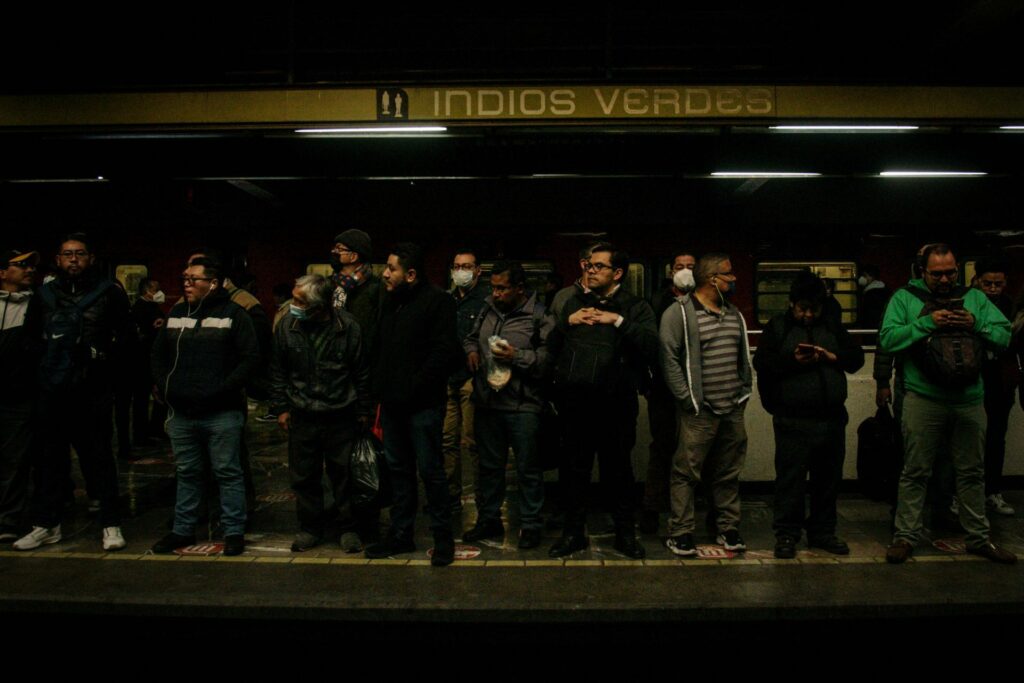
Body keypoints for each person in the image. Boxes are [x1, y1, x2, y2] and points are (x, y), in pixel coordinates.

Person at [881, 243, 1015, 564]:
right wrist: (928, 323)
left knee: (972, 472)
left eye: (950, 273)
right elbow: (887, 339)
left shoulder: (975, 299)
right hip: (922, 398)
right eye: (937, 274)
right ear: (922, 272)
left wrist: (975, 324)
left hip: (969, 399)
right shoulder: (905, 299)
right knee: (915, 471)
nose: (944, 280)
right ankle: (905, 536)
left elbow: (1004, 336)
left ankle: (979, 538)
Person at [15, 234, 135, 552]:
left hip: (92, 390)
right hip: (52, 390)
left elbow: (127, 340)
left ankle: (110, 523)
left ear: (91, 258)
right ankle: (47, 524)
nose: (73, 259)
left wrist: (101, 360)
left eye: (79, 254)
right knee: (49, 460)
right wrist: (45, 360)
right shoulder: (44, 295)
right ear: (58, 259)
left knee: (99, 459)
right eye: (67, 254)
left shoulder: (109, 293)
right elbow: (28, 339)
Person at [547, 243, 658, 559]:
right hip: (576, 402)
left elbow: (652, 346)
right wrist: (567, 323)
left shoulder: (635, 306)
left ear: (617, 273)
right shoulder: (572, 303)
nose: (590, 270)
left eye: (598, 266)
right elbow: (551, 347)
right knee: (574, 471)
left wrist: (618, 321)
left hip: (616, 403)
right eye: (588, 265)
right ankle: (573, 534)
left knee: (618, 471)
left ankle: (625, 534)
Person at [150, 258, 260, 556]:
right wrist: (166, 386)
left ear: (213, 283)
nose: (186, 284)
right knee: (187, 472)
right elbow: (158, 355)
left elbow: (250, 359)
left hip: (222, 411)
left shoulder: (234, 315)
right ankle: (183, 529)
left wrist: (221, 390)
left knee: (227, 472)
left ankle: (233, 531)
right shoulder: (176, 314)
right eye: (184, 278)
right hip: (182, 411)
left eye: (193, 279)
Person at [754, 272, 864, 559]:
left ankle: (822, 532)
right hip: (792, 418)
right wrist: (793, 361)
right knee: (790, 480)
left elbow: (856, 358)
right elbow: (762, 364)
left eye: (814, 309)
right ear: (791, 304)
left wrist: (833, 357)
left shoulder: (833, 326)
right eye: (802, 308)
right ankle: (787, 534)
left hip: (831, 417)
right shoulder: (777, 328)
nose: (808, 315)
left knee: (827, 479)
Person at [365, 243, 461, 566]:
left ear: (411, 275)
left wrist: (413, 387)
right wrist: (378, 389)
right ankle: (401, 535)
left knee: (431, 471)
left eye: (391, 269)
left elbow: (443, 353)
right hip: (392, 405)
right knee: (398, 472)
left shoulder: (438, 302)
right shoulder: (390, 302)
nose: (384, 274)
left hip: (423, 405)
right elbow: (380, 348)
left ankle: (443, 539)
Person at [270, 274, 372, 553]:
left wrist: (364, 410)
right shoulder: (287, 326)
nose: (293, 305)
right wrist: (280, 408)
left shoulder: (348, 327)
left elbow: (361, 372)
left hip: (341, 414)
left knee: (344, 475)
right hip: (302, 414)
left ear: (319, 306)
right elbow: (278, 370)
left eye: (300, 301)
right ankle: (310, 528)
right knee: (304, 476)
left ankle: (348, 527)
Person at [660, 252, 752, 556]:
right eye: (729, 274)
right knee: (686, 473)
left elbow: (742, 357)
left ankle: (728, 528)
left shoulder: (733, 313)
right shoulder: (679, 313)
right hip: (700, 411)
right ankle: (681, 531)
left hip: (732, 408)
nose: (734, 278)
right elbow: (669, 359)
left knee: (728, 472)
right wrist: (688, 400)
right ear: (713, 279)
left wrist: (744, 392)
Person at [462, 261, 554, 549]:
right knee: (489, 468)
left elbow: (548, 360)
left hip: (523, 405)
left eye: (502, 289)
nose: (496, 294)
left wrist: (516, 356)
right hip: (488, 402)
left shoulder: (539, 316)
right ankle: (488, 519)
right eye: (493, 288)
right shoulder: (487, 309)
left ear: (519, 288)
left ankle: (530, 524)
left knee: (528, 469)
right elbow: (470, 337)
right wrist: (472, 351)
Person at [641, 251, 696, 533]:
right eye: (679, 266)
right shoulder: (658, 302)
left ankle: (690, 508)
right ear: (670, 271)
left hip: (697, 388)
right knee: (662, 447)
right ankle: (653, 507)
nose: (685, 271)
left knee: (697, 450)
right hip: (663, 389)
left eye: (690, 267)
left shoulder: (704, 301)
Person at [444, 248, 489, 515]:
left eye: (467, 266)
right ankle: (450, 496)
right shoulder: (447, 300)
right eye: (457, 266)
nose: (461, 271)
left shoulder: (485, 300)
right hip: (448, 377)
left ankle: (483, 500)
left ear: (478, 271)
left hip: (473, 378)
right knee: (446, 440)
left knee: (473, 441)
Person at [972, 256, 1018, 516]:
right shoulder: (970, 303)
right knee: (968, 439)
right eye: (987, 283)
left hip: (1001, 380)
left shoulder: (1011, 306)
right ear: (977, 281)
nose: (992, 289)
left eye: (997, 284)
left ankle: (992, 490)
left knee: (996, 437)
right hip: (975, 376)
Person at [0, 249, 41, 542]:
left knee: (15, 460)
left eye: (31, 266)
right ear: (3, 272)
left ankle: (8, 519)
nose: (29, 270)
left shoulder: (37, 305)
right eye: (21, 265)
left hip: (20, 395)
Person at [130, 277, 167, 444]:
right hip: (142, 359)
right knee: (142, 398)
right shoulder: (139, 308)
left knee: (158, 396)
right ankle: (141, 434)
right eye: (155, 289)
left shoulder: (153, 306)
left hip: (153, 358)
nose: (159, 293)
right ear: (147, 291)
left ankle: (155, 429)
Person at [858, 264, 889, 331]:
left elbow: (868, 315)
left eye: (864, 276)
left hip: (871, 328)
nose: (862, 278)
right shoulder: (885, 290)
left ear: (872, 277)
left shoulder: (870, 294)